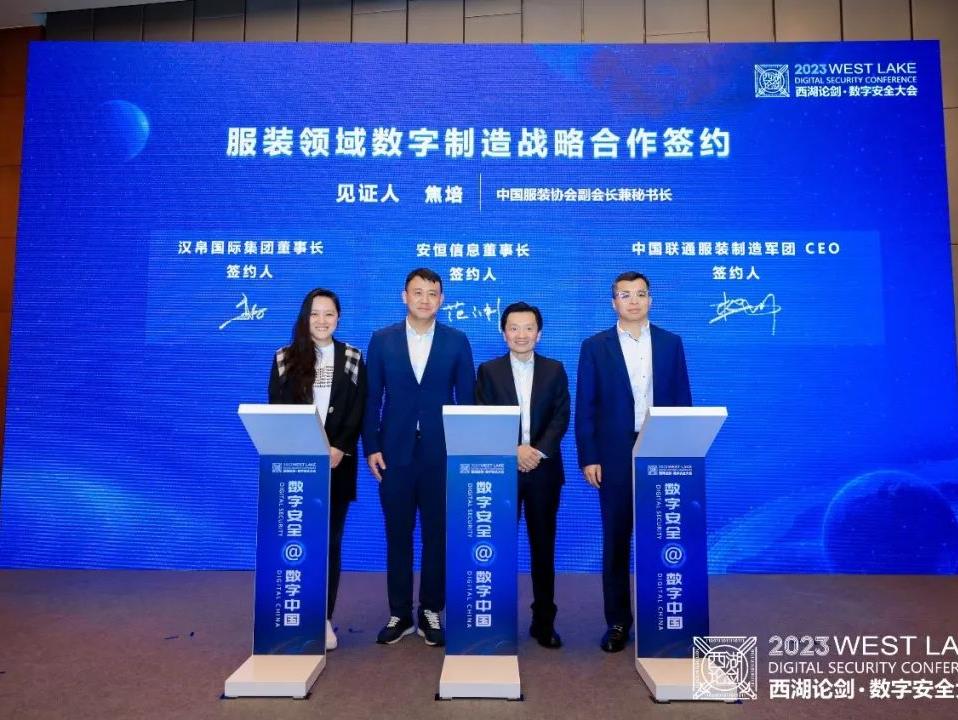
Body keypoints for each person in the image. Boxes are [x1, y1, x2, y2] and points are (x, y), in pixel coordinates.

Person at [575, 272, 691, 653]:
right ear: (614, 303)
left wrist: (682, 448)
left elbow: (683, 400)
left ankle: (662, 618)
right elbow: (586, 407)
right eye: (625, 295)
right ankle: (618, 622)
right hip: (613, 453)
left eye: (641, 294)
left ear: (650, 300)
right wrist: (589, 456)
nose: (634, 301)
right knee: (617, 538)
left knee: (663, 536)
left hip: (661, 446)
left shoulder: (671, 343)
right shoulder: (595, 346)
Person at [363, 268, 475, 647]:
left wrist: (464, 451)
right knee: (397, 534)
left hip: (441, 454)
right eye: (418, 292)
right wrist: (371, 446)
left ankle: (430, 610)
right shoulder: (382, 340)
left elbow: (468, 401)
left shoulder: (457, 341)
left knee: (437, 535)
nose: (425, 299)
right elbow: (371, 399)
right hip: (394, 454)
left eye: (432, 293)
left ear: (441, 299)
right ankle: (399, 612)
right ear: (404, 296)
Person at [268, 288, 367, 652]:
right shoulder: (284, 357)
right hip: (296, 466)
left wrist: (340, 447)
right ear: (304, 317)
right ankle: (292, 614)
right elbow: (277, 408)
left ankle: (322, 617)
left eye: (329, 314)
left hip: (338, 464)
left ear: (338, 318)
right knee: (295, 541)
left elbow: (359, 407)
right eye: (315, 314)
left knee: (329, 542)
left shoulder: (352, 357)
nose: (322, 321)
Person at [475, 302, 570, 648]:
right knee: (497, 547)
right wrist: (513, 449)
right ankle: (497, 620)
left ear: (539, 334)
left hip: (544, 470)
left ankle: (544, 622)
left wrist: (536, 451)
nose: (521, 334)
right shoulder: (488, 371)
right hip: (503, 470)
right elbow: (482, 415)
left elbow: (561, 416)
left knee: (543, 548)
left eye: (528, 328)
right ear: (504, 333)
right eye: (514, 328)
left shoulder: (554, 369)